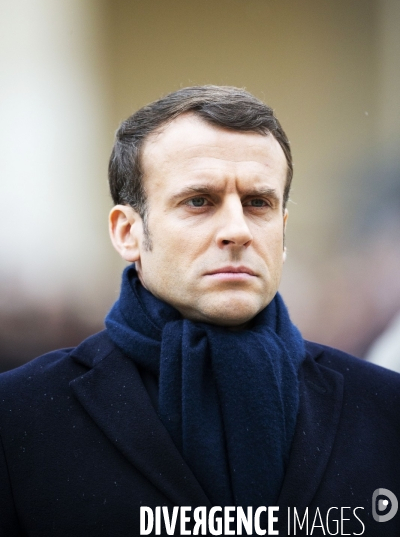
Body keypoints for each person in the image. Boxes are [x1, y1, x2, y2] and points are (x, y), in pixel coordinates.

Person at [0, 85, 399, 536]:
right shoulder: (19, 418)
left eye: (258, 204)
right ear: (128, 232)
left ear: (282, 232)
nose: (237, 230)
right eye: (199, 201)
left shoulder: (386, 410)